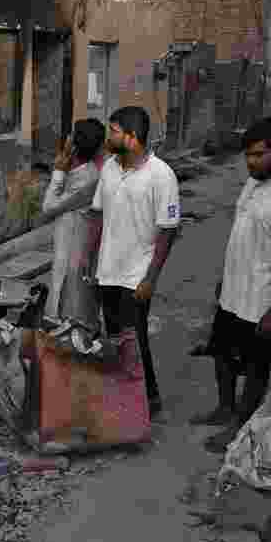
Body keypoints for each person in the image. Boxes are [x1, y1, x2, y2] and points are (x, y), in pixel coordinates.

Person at [192, 116, 271, 454]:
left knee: (255, 368)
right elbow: (244, 234)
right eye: (248, 155)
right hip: (233, 292)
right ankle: (225, 409)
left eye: (259, 155)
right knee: (222, 356)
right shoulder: (254, 182)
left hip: (262, 298)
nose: (252, 162)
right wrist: (223, 278)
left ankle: (239, 428)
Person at [88, 106, 181, 417]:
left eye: (113, 131)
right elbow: (98, 215)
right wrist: (90, 262)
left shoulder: (161, 175)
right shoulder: (110, 169)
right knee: (114, 337)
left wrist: (150, 279)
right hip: (107, 271)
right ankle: (124, 395)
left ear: (132, 137)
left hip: (136, 275)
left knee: (135, 339)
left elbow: (168, 231)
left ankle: (149, 399)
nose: (108, 136)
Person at [41, 118, 106, 319]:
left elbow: (49, 207)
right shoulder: (81, 171)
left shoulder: (88, 178)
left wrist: (59, 172)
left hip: (74, 246)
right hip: (68, 242)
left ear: (73, 143)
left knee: (69, 295)